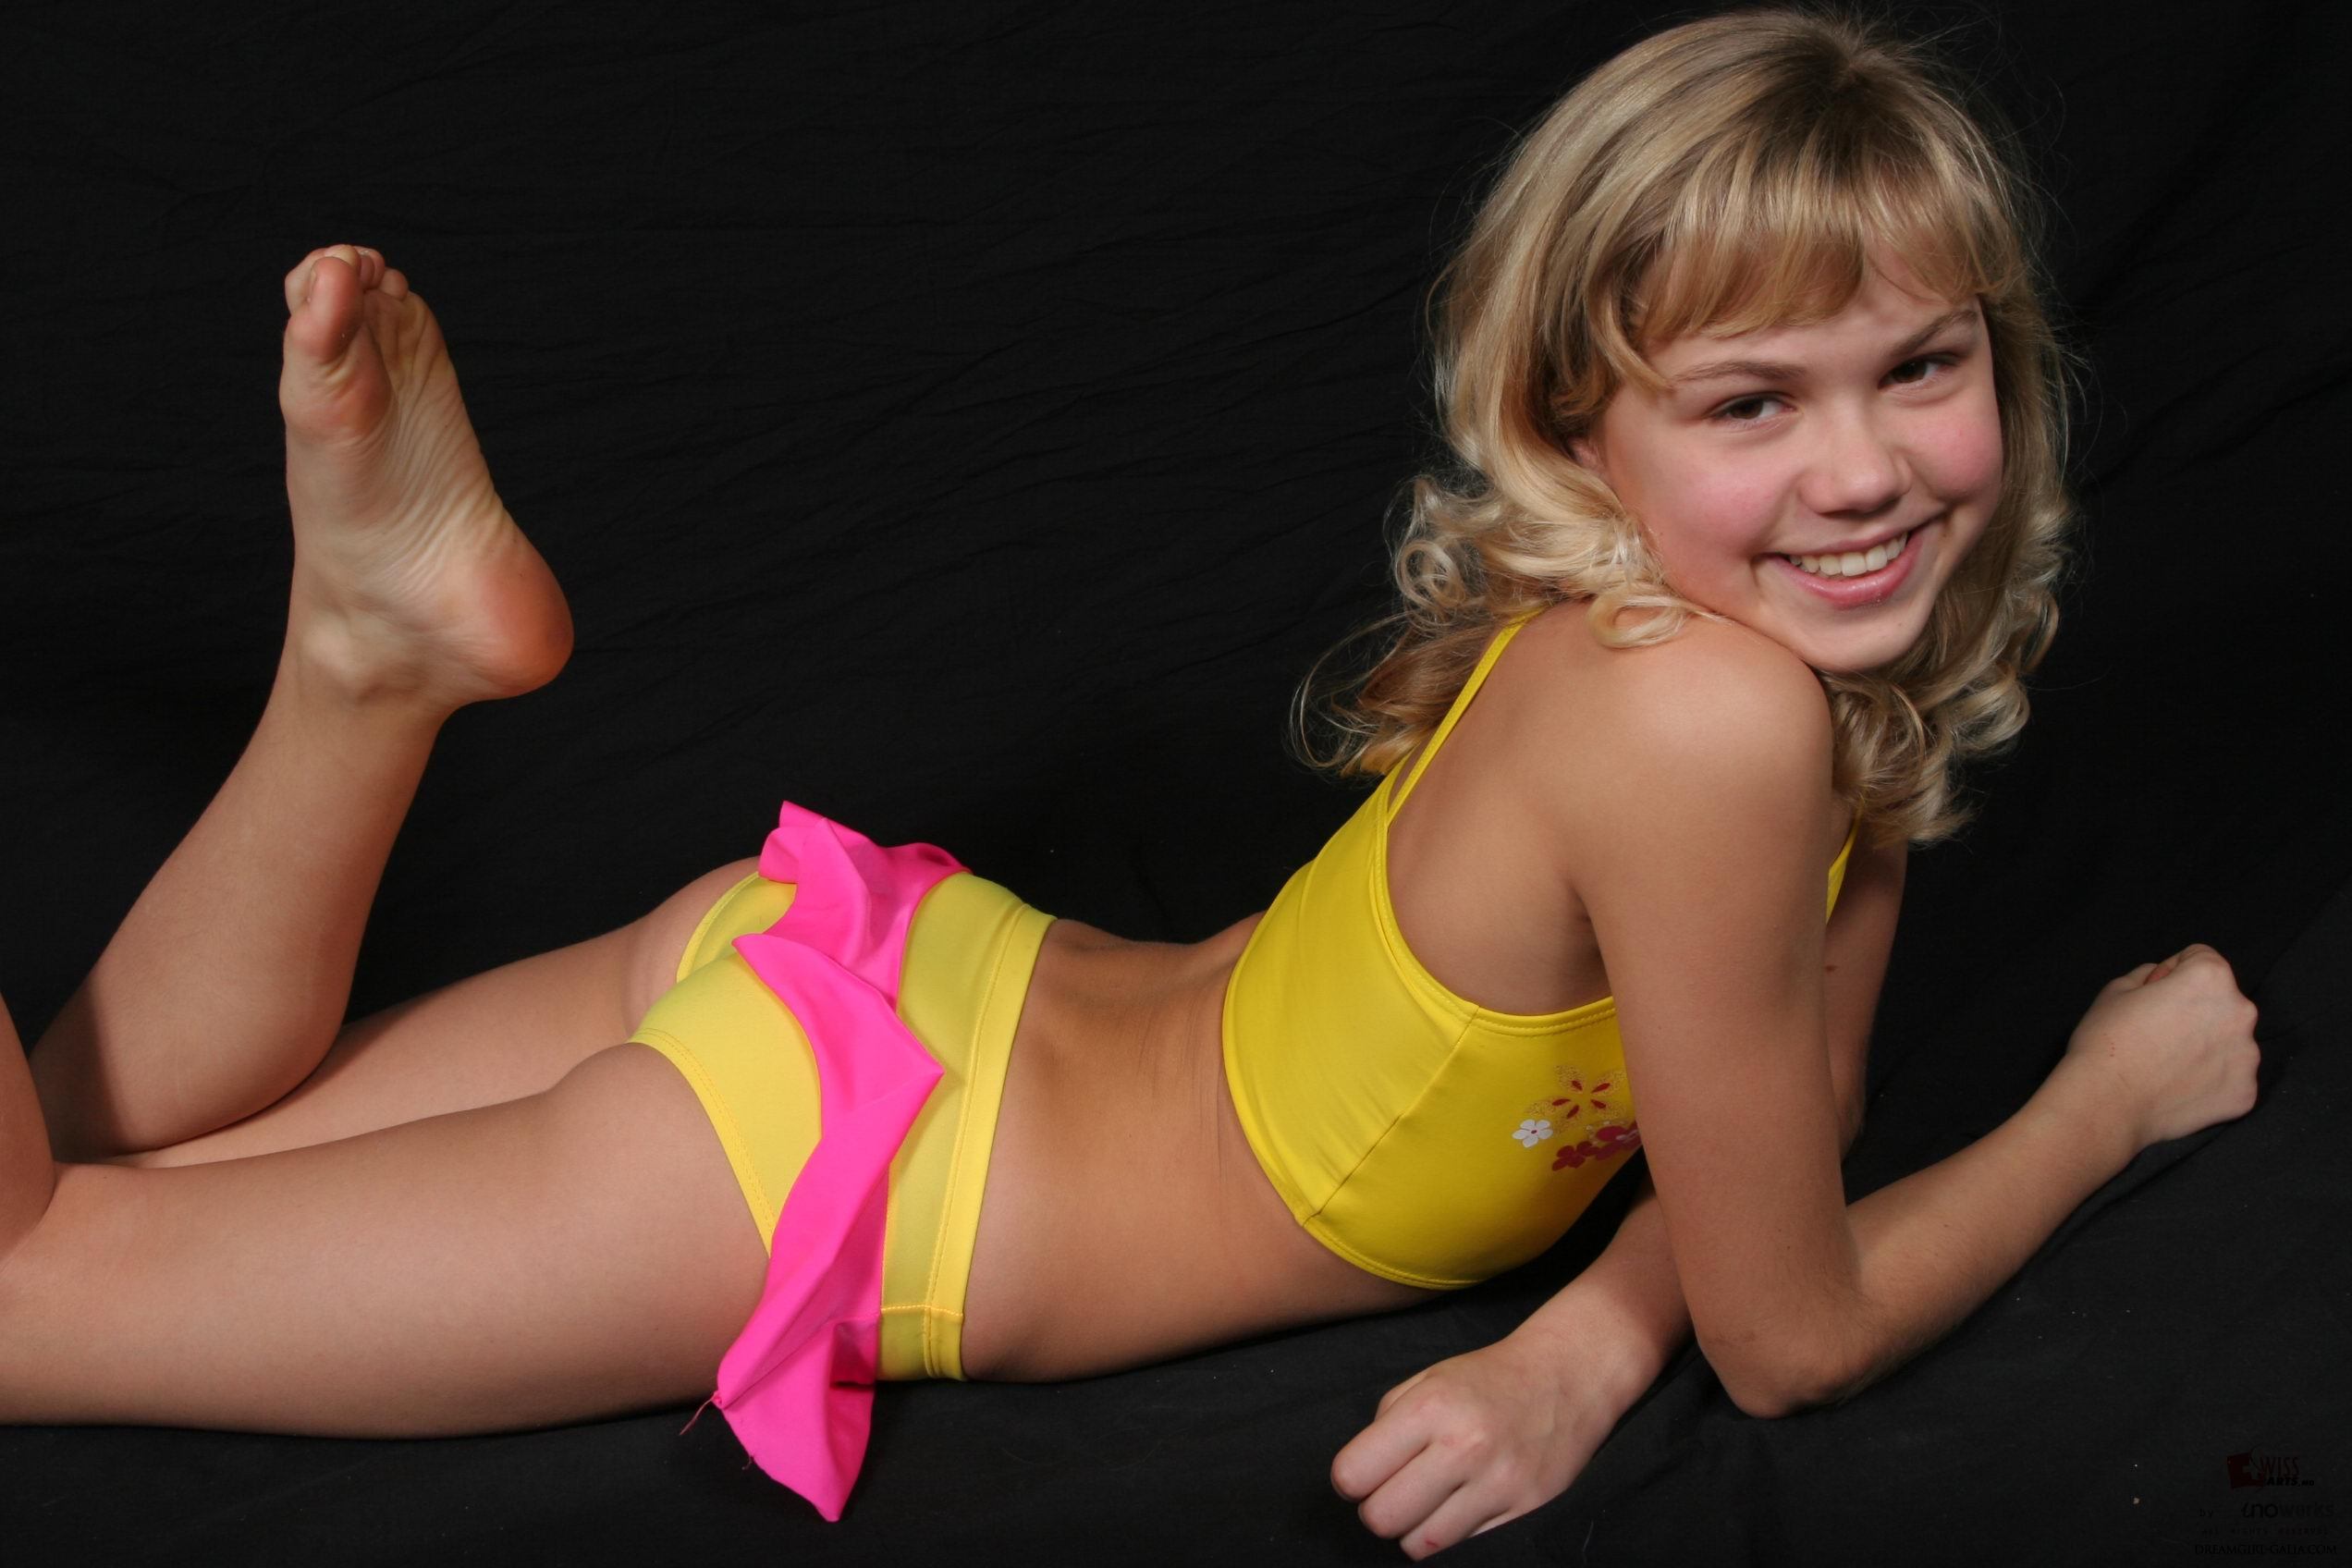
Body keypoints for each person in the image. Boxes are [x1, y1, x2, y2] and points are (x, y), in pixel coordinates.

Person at [0, 5, 2261, 1558]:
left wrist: (1579, 1348)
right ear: (1584, 433)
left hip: (879, 962)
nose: (1864, 468)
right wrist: (2105, 1099)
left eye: (1922, 365)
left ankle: (364, 670)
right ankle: (369, 659)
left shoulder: (1771, 692)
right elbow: (1799, 1330)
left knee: (97, 1158)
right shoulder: (1718, 720)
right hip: (837, 1173)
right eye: (1754, 401)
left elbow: (1781, 1118)